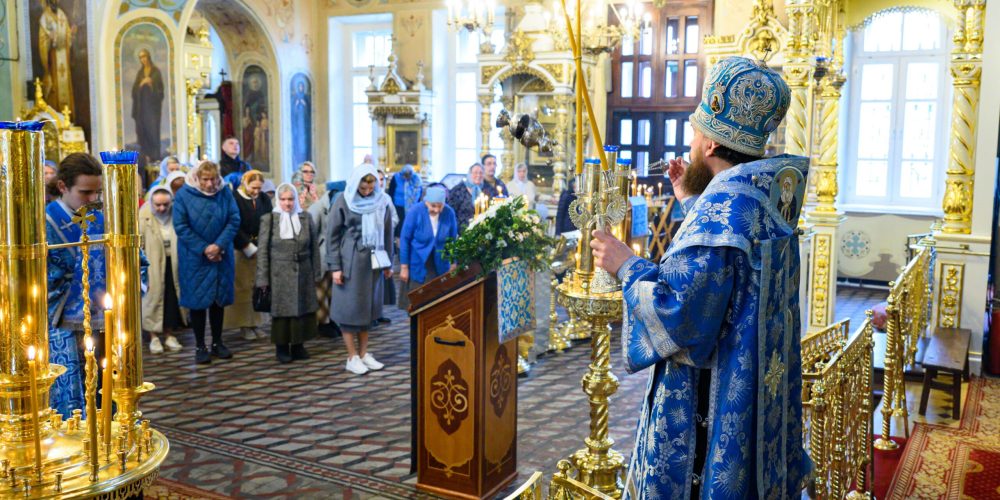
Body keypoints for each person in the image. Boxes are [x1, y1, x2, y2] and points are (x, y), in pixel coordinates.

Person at [589, 57, 809, 498]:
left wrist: (624, 265)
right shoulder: (764, 197)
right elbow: (730, 271)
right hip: (756, 393)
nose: (690, 142)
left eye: (695, 132)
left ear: (710, 146)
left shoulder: (719, 211)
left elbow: (682, 317)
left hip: (711, 400)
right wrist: (691, 202)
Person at [45, 153, 105, 417]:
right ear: (62, 187)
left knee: (105, 396)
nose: (93, 199)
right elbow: (37, 279)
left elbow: (136, 262)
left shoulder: (103, 219)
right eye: (85, 192)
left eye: (97, 192)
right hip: (62, 327)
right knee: (73, 403)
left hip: (104, 323)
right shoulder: (44, 224)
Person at [326, 163, 393, 375]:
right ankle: (351, 356)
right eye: (362, 189)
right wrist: (335, 267)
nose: (366, 192)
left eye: (370, 188)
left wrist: (388, 262)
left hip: (374, 261)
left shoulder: (382, 202)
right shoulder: (343, 200)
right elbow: (332, 236)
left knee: (368, 310)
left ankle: (364, 354)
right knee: (349, 311)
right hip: (350, 261)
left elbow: (388, 232)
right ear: (355, 184)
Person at [173, 161, 241, 364]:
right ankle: (200, 345)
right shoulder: (185, 194)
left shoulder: (224, 192)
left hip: (221, 255)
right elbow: (181, 226)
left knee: (218, 301)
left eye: (213, 179)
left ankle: (218, 342)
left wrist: (218, 245)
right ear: (197, 178)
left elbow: (234, 219)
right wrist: (205, 248)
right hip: (195, 257)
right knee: (198, 302)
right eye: (205, 179)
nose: (210, 184)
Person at [256, 184, 323, 363]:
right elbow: (262, 251)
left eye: (291, 199)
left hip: (304, 270)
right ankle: (282, 347)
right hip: (279, 272)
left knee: (303, 308)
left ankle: (298, 345)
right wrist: (262, 278)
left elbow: (314, 247)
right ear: (278, 200)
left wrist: (317, 272)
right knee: (282, 312)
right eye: (284, 199)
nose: (287, 203)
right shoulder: (269, 219)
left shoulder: (306, 217)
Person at [226, 170, 271, 340]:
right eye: (253, 188)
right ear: (245, 182)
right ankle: (244, 325)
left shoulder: (264, 199)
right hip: (241, 248)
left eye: (259, 188)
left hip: (261, 247)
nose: (256, 192)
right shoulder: (234, 199)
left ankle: (256, 323)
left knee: (259, 287)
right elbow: (232, 224)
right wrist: (246, 245)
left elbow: (269, 220)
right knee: (243, 288)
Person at [139, 185, 184, 354]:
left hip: (172, 262)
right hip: (152, 264)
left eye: (166, 204)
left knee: (171, 298)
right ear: (151, 203)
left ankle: (170, 334)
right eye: (158, 205)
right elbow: (139, 243)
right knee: (152, 299)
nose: (162, 208)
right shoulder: (143, 216)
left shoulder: (176, 214)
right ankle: (153, 337)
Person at [398, 184, 457, 310]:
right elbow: (405, 239)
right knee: (417, 303)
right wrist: (404, 266)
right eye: (432, 206)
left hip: (440, 263)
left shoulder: (449, 213)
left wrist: (453, 262)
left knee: (437, 302)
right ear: (426, 202)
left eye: (439, 206)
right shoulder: (415, 211)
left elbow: (452, 240)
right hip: (418, 262)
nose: (436, 210)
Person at [38, 0, 74, 113]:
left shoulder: (62, 14)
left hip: (64, 56)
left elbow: (67, 35)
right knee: (55, 87)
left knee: (65, 85)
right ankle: (56, 116)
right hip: (53, 58)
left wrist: (70, 35)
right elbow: (42, 41)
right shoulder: (45, 17)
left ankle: (67, 116)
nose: (55, 1)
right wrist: (50, 39)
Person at [132, 48, 165, 168]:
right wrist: (141, 84)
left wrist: (151, 83)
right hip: (141, 109)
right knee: (142, 130)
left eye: (144, 56)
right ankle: (144, 156)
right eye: (141, 57)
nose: (143, 59)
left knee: (152, 130)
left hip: (152, 110)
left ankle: (155, 156)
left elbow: (160, 91)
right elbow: (134, 91)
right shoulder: (140, 73)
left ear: (149, 57)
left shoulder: (155, 72)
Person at [386, 164, 422, 237]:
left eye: (408, 176)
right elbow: (391, 192)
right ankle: (398, 242)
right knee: (399, 225)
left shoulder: (416, 179)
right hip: (398, 206)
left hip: (412, 207)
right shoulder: (396, 177)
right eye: (404, 176)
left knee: (410, 225)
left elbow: (419, 194)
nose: (405, 178)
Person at [446, 163, 482, 231]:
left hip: (478, 230)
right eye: (475, 172)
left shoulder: (482, 190)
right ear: (469, 174)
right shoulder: (458, 190)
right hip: (461, 231)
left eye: (481, 173)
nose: (478, 175)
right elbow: (450, 212)